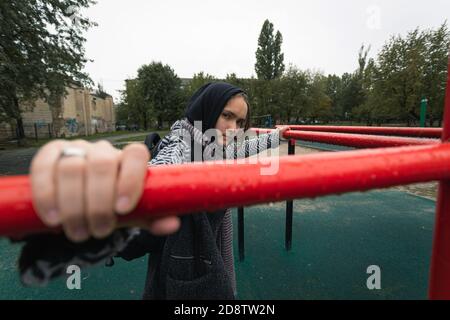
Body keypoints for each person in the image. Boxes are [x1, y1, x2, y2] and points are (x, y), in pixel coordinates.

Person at [22, 82, 289, 299]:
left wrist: (279, 135)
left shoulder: (213, 146)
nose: (233, 129)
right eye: (227, 115)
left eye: (240, 122)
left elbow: (241, 149)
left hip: (203, 253)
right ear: (207, 110)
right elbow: (154, 173)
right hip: (183, 262)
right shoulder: (183, 145)